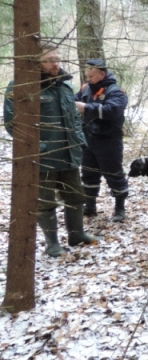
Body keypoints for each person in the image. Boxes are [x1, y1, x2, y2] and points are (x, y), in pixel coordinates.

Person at [3, 44, 100, 257]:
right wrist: (36, 147)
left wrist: (78, 140)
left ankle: (77, 235)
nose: (55, 64)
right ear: (36, 63)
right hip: (43, 156)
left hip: (68, 152)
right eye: (49, 60)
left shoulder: (65, 86)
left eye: (57, 59)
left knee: (76, 197)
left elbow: (74, 117)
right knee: (45, 201)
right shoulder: (22, 86)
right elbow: (13, 124)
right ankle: (52, 243)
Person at [75, 59, 129, 222]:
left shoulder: (116, 92)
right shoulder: (85, 89)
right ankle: (90, 206)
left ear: (102, 74)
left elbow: (112, 111)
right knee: (88, 174)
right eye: (87, 75)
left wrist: (86, 108)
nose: (88, 79)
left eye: (91, 76)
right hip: (88, 139)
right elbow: (73, 101)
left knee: (114, 175)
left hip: (109, 141)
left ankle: (120, 208)